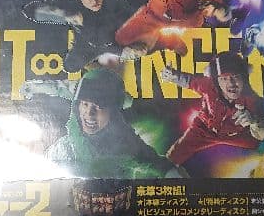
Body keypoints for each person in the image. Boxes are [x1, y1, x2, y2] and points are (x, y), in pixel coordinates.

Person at [24, 69, 182, 178]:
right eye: (85, 104)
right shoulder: (64, 148)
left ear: (113, 113)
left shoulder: (126, 146)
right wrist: (33, 87)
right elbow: (61, 88)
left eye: (99, 107)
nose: (89, 113)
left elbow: (159, 165)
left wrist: (178, 179)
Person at [161, 52, 264, 165]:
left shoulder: (252, 100)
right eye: (224, 78)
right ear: (216, 81)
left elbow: (263, 133)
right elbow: (189, 81)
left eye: (236, 77)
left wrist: (253, 121)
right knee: (173, 157)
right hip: (204, 130)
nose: (231, 83)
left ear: (244, 78)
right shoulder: (208, 85)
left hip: (237, 135)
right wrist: (172, 76)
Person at [22, 0, 131, 73]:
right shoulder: (70, 4)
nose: (94, 1)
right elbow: (29, 10)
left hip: (115, 42)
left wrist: (83, 22)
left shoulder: (115, 3)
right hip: (86, 44)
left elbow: (103, 39)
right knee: (70, 66)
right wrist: (64, 15)